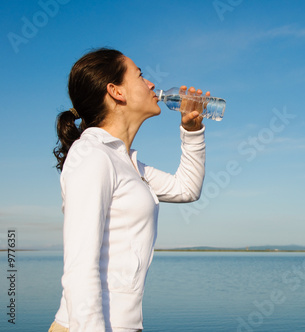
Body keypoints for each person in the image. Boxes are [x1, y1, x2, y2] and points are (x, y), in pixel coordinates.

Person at [49, 48, 208, 332]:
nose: (151, 85)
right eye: (140, 76)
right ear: (116, 92)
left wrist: (192, 131)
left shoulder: (127, 163)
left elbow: (187, 189)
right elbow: (79, 267)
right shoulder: (92, 155)